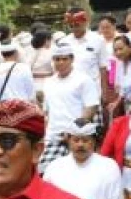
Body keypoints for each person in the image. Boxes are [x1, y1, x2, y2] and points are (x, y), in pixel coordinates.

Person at [37, 42, 100, 174]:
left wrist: (74, 130)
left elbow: (91, 107)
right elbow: (46, 113)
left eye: (64, 59)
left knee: (79, 174)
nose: (61, 62)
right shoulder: (49, 83)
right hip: (53, 137)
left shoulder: (83, 80)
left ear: (72, 59)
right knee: (47, 174)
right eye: (57, 59)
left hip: (78, 138)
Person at [59, 6, 109, 103]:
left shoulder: (98, 40)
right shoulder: (63, 42)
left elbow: (103, 68)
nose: (74, 28)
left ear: (85, 22)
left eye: (77, 25)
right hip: (70, 93)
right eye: (71, 25)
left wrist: (104, 93)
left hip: (92, 93)